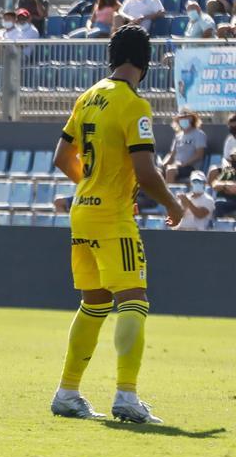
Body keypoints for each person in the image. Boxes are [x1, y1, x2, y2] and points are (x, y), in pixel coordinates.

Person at [49, 24, 184, 424]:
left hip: (83, 211)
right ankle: (126, 395)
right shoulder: (134, 104)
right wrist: (174, 206)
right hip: (112, 215)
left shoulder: (88, 97)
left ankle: (67, 391)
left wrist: (90, 184)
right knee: (134, 299)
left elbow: (61, 156)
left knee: (94, 303)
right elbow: (145, 172)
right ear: (144, 63)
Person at [161, 109, 206, 183]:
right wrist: (163, 164)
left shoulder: (199, 134)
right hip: (175, 166)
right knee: (158, 171)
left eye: (186, 117)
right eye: (181, 118)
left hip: (190, 168)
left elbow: (199, 155)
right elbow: (171, 155)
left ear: (191, 118)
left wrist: (183, 164)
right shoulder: (178, 136)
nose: (183, 119)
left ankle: (169, 193)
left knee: (170, 171)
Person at [207, 112, 236, 185]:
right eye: (231, 127)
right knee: (213, 171)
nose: (233, 130)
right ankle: (211, 194)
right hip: (230, 167)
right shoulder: (230, 140)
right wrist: (226, 165)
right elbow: (226, 158)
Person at [212, 152, 236, 218]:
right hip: (226, 201)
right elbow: (215, 184)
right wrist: (226, 185)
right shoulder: (229, 172)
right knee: (218, 203)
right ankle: (217, 227)